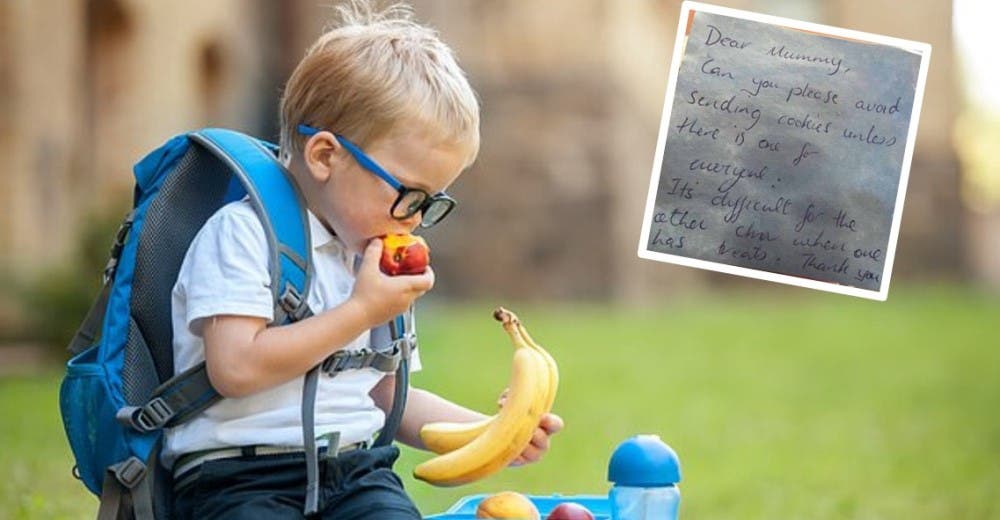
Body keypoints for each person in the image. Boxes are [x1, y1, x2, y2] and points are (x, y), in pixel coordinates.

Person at [163, 2, 563, 518]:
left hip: (356, 473)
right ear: (326, 156)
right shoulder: (242, 235)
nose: (414, 218)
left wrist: (495, 434)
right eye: (408, 194)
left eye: (430, 202)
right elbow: (234, 367)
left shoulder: (370, 258)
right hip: (239, 478)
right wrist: (360, 312)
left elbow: (384, 393)